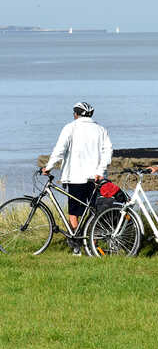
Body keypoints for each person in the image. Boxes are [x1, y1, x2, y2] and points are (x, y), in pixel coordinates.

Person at [42, 102, 113, 253]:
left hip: (76, 176)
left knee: (74, 212)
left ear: (76, 114)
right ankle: (93, 247)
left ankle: (77, 248)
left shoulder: (70, 127)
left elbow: (59, 150)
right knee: (95, 212)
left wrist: (48, 167)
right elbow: (108, 152)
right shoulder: (101, 129)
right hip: (96, 178)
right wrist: (100, 170)